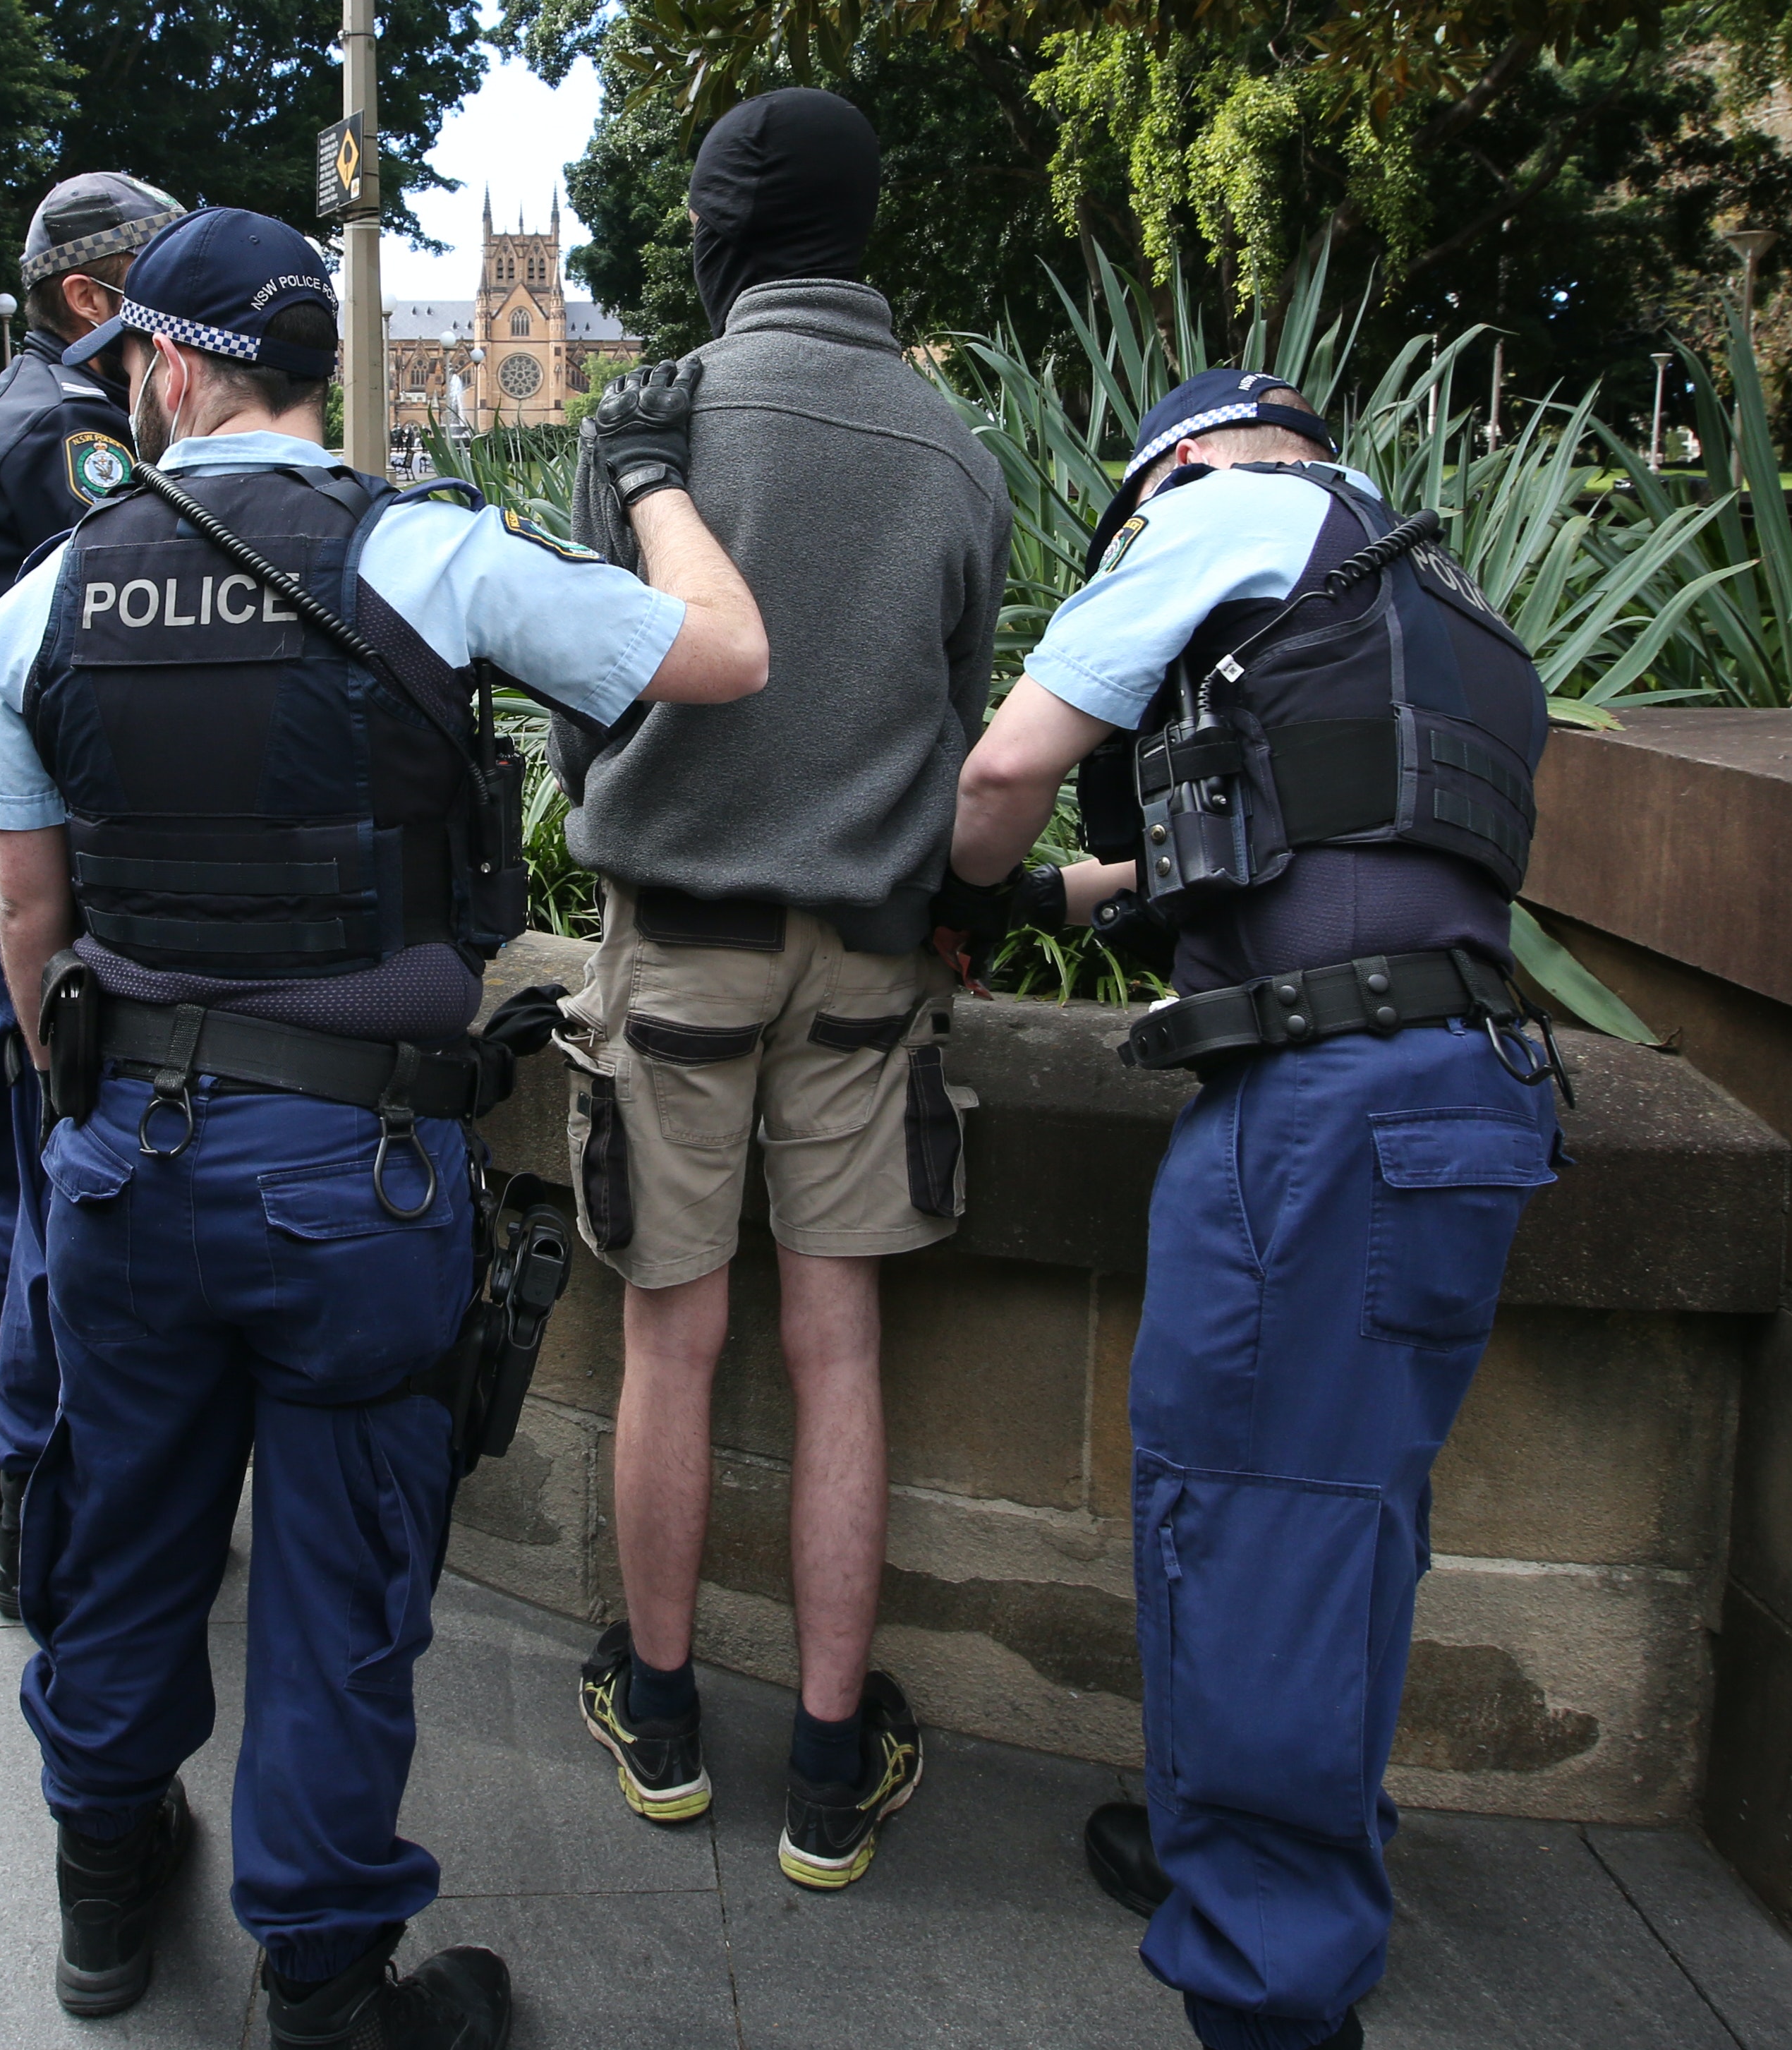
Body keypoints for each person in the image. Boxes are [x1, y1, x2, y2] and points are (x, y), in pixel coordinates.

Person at [0, 205, 767, 2046]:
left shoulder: (52, 592)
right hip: (358, 1170)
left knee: (122, 1525)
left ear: (167, 363)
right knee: (342, 1569)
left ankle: (106, 1884)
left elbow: (31, 919)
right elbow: (720, 659)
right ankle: (324, 1983)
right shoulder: (430, 555)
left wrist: (84, 1104)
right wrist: (648, 483)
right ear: (314, 368)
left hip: (125, 1158)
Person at [942, 368, 1565, 2050]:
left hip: (1321, 1118)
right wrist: (1074, 899)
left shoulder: (1219, 515)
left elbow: (1003, 774)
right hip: (1464, 1091)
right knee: (1342, 1526)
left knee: (1258, 1533)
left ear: (1184, 463)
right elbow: (1292, 846)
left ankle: (1275, 1993)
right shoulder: (1443, 597)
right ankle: (1265, 1844)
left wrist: (954, 888)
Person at [550, 85, 1011, 1891]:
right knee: (840, 1356)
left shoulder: (652, 423)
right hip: (871, 962)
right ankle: (830, 1764)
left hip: (678, 940)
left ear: (726, 232)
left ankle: (661, 1717)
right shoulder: (952, 448)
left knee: (677, 1337)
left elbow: (587, 679)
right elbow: (963, 735)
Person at [0, 171, 178, 1588]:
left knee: (11, 1177)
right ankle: (30, 1495)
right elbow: (117, 657)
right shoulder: (72, 425)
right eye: (157, 280)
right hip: (32, 859)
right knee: (59, 1185)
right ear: (92, 297)